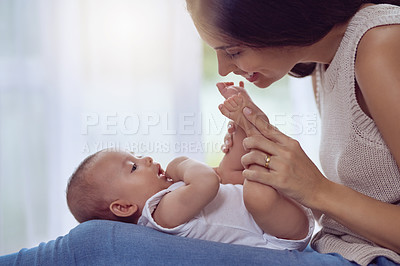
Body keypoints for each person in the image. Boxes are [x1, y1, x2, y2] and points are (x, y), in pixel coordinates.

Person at [185, 0, 400, 265]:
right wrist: (264, 143)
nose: (223, 69)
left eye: (233, 51)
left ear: (276, 21)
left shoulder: (381, 46)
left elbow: (324, 194)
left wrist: (318, 189)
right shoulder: (325, 63)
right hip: (338, 250)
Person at [66, 90, 314, 251]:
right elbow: (207, 182)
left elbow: (216, 180)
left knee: (229, 170)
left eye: (138, 156)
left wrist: (225, 164)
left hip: (271, 212)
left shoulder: (170, 195)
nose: (147, 159)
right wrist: (180, 163)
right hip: (276, 235)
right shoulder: (160, 216)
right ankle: (255, 134)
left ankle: (245, 123)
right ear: (124, 207)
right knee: (254, 193)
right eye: (133, 167)